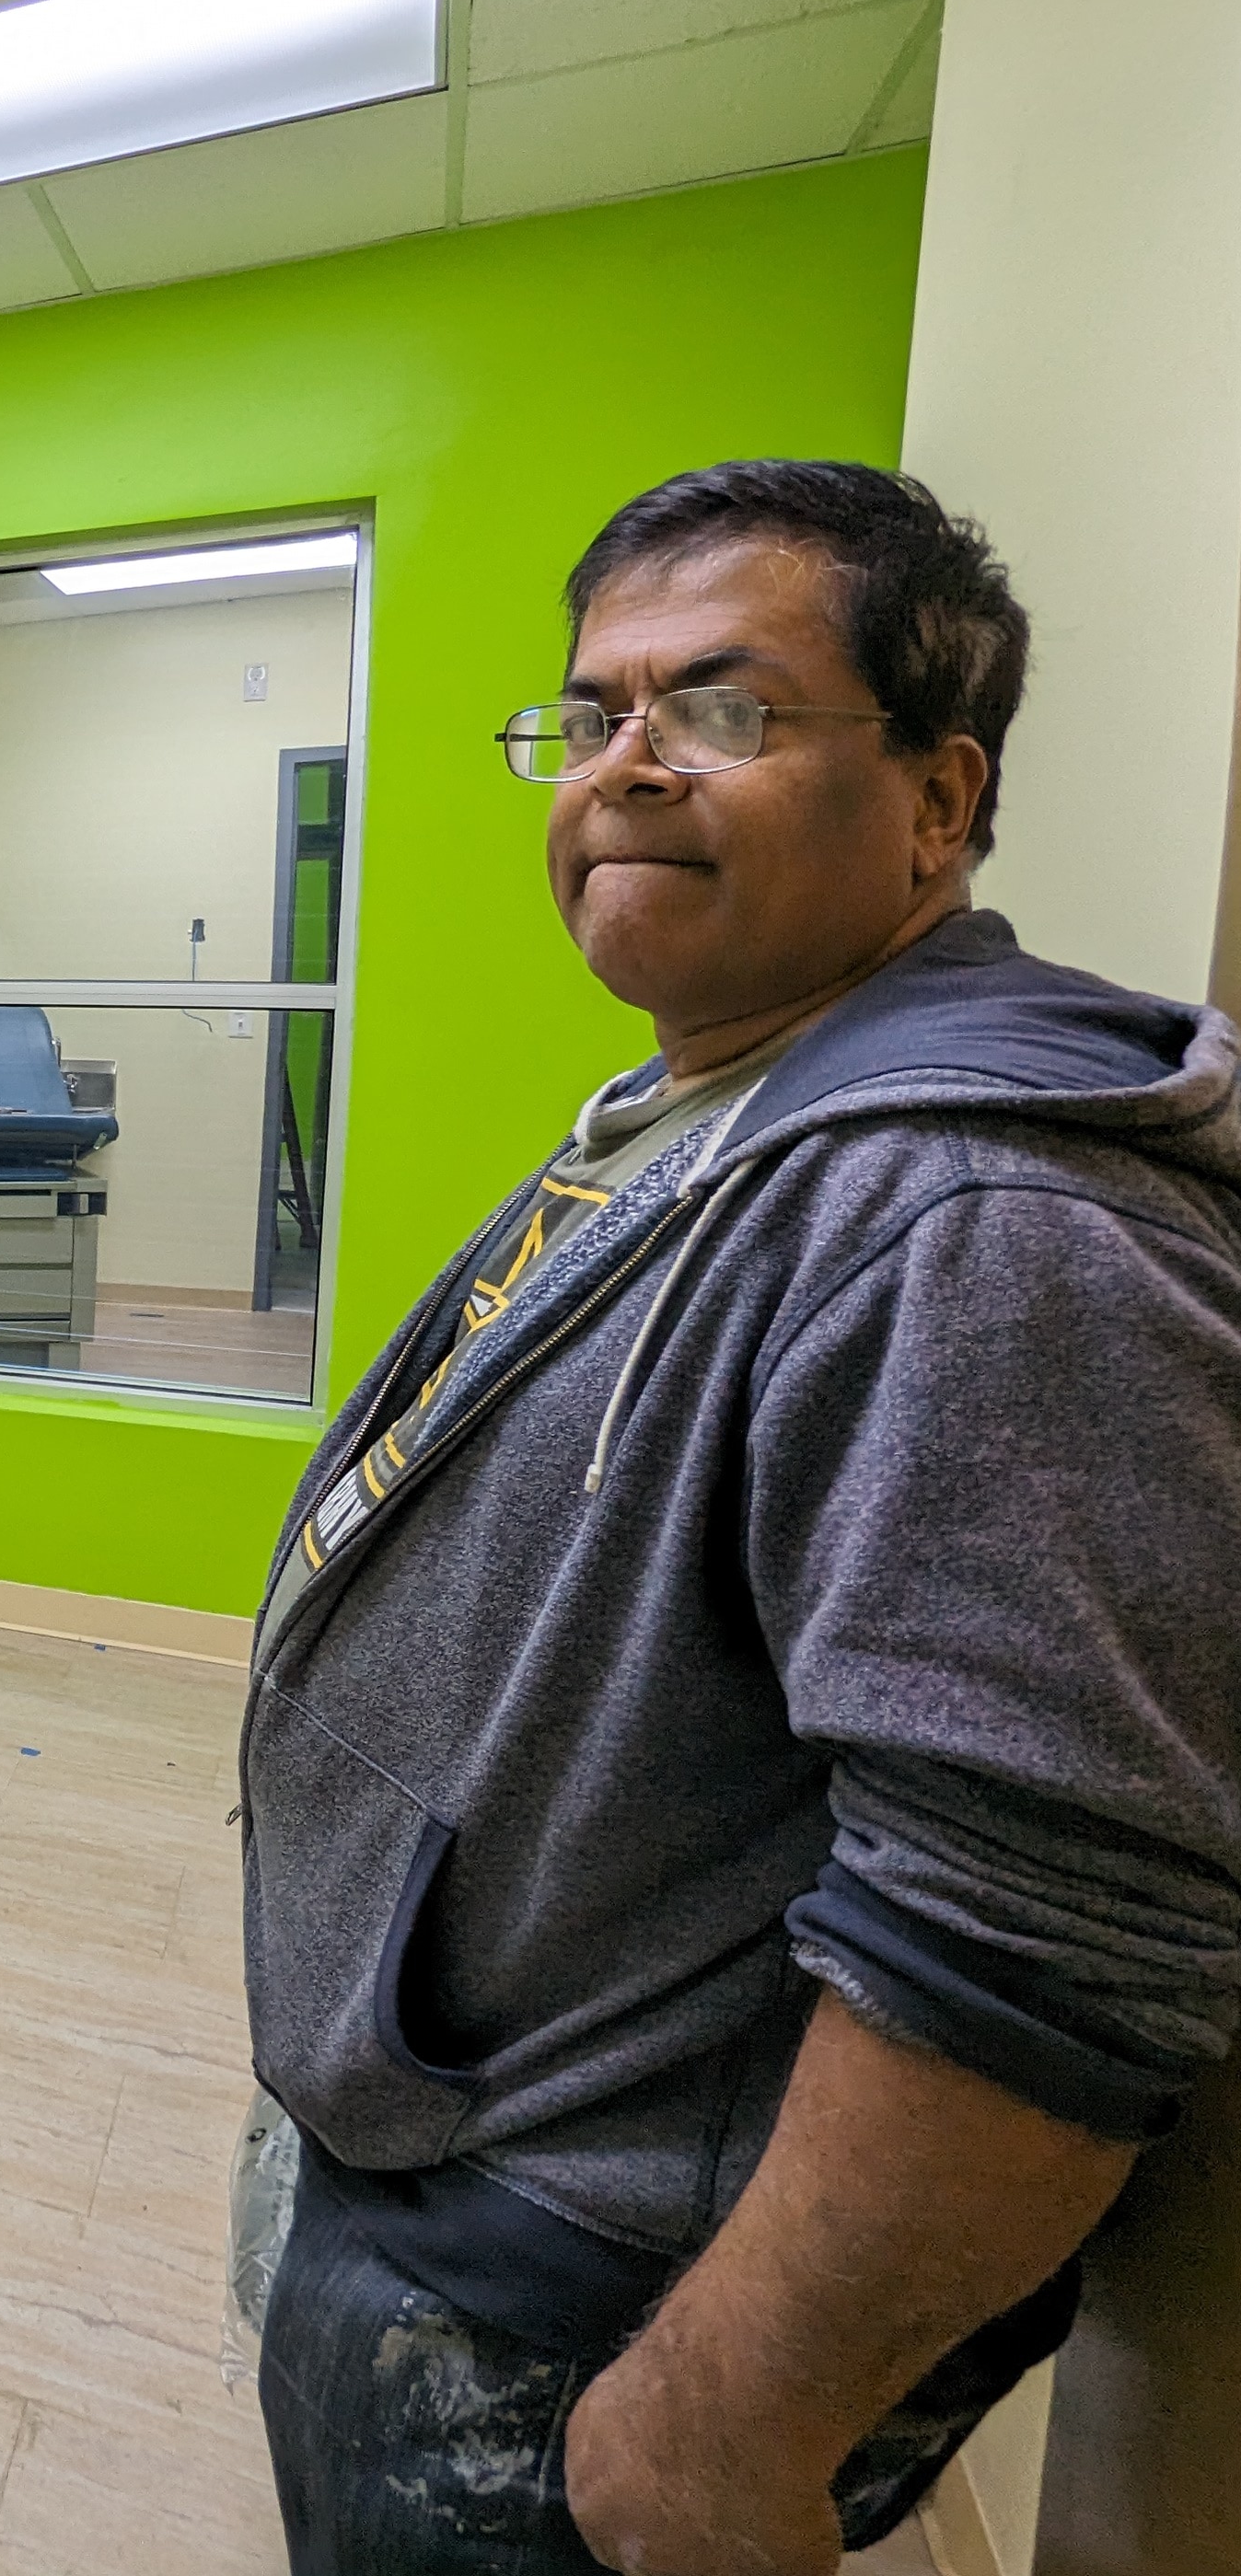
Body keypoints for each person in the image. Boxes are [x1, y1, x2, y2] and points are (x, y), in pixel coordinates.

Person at [238, 460, 1241, 2573]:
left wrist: (717, 2426)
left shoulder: (976, 1222)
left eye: (724, 711)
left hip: (594, 2290)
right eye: (590, 714)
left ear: (940, 803)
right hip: (479, 2150)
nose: (624, 769)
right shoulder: (726, 1098)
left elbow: (1041, 1937)